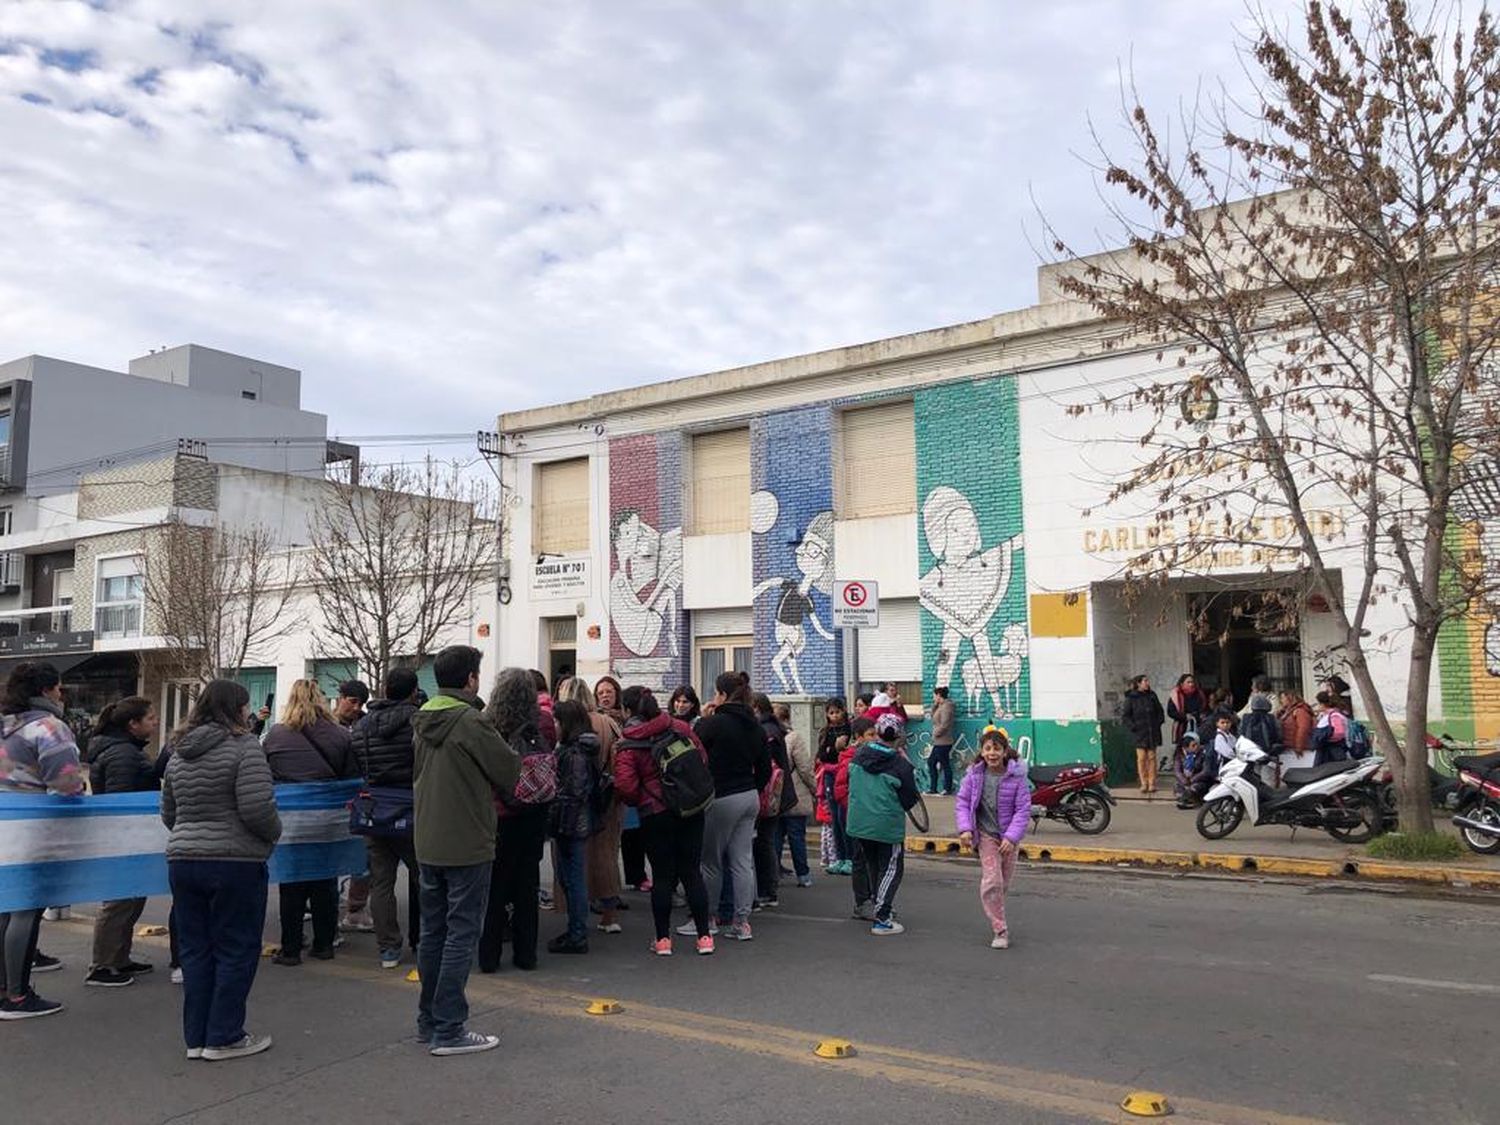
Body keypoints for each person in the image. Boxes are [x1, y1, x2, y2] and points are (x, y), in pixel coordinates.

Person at [161, 679, 282, 1060]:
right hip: (235, 861)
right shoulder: (245, 747)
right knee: (237, 948)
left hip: (183, 859)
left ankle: (196, 1037)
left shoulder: (178, 751)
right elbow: (257, 809)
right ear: (237, 709)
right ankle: (225, 1035)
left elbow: (169, 812)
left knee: (195, 949)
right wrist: (272, 837)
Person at [412, 645, 519, 1056]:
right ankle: (450, 1027)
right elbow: (509, 771)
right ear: (471, 679)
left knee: (433, 933)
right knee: (461, 933)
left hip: (429, 840)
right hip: (467, 841)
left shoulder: (422, 719)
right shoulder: (471, 721)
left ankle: (429, 1019)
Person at [0, 661, 84, 1019]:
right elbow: (67, 785)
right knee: (26, 909)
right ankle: (17, 997)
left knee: (5, 908)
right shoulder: (49, 728)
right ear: (48, 691)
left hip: (5, 824)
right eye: (60, 688)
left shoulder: (5, 726)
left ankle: (5, 989)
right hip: (34, 829)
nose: (62, 695)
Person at [263, 680, 358, 965]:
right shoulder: (341, 735)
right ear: (321, 700)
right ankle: (324, 944)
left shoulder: (275, 736)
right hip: (328, 819)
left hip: (290, 820)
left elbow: (265, 776)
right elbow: (351, 777)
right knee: (325, 881)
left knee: (291, 884)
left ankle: (291, 949)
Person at [615, 685, 714, 956]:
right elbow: (702, 757)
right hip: (690, 808)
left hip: (655, 814)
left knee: (662, 876)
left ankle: (662, 940)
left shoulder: (629, 743)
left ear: (627, 710)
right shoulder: (679, 728)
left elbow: (625, 786)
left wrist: (642, 798)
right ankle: (704, 937)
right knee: (692, 872)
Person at [479, 667, 552, 974]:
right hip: (535, 810)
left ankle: (489, 955)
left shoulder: (488, 724)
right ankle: (527, 955)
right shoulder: (544, 722)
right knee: (527, 883)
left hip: (500, 813)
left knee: (495, 888)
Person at [85, 696, 160, 988]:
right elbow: (121, 799)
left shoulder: (126, 750)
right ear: (133, 724)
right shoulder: (122, 755)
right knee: (119, 900)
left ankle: (119, 957)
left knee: (132, 897)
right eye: (151, 718)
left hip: (129, 834)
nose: (155, 723)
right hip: (123, 835)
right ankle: (102, 965)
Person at [350, 667, 423, 970]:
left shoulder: (363, 724)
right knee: (424, 878)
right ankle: (422, 939)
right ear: (412, 691)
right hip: (411, 806)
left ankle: (388, 948)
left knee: (381, 882)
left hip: (374, 808)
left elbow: (356, 760)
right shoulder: (418, 722)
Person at [691, 672, 770, 942]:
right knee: (742, 861)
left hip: (721, 796)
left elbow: (694, 747)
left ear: (722, 695)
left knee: (711, 862)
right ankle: (742, 922)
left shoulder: (713, 724)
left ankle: (708, 919)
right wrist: (753, 788)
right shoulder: (756, 726)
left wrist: (704, 716)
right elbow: (764, 770)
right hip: (748, 796)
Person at [554, 678, 623, 935]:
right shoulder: (608, 722)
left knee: (573, 863)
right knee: (605, 856)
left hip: (575, 802)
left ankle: (576, 920)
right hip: (606, 797)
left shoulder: (570, 725)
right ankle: (609, 914)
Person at [954, 728, 1029, 949]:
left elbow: (1023, 810)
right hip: (985, 836)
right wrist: (965, 829)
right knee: (992, 882)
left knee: (1002, 884)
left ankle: (997, 910)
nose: (992, 753)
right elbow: (963, 803)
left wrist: (1012, 837)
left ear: (1005, 751)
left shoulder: (1017, 778)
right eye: (987, 749)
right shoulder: (974, 775)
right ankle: (1000, 930)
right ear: (982, 751)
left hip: (1008, 839)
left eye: (997, 749)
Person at [845, 713, 919, 935]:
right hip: (886, 825)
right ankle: (882, 916)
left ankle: (878, 903)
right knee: (891, 869)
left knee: (873, 865)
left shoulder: (859, 756)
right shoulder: (901, 765)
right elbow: (909, 799)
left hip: (859, 822)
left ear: (877, 733)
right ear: (898, 736)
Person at [547, 700, 600, 954]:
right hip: (573, 820)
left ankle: (577, 933)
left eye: (557, 721)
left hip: (571, 822)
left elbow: (574, 790)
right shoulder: (576, 748)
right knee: (569, 877)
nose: (554, 726)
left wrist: (553, 799)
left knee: (573, 877)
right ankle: (576, 928)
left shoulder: (575, 752)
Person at [335, 679, 374, 934]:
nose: (354, 707)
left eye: (358, 703)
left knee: (364, 856)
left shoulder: (363, 726)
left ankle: (355, 908)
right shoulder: (327, 725)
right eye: (349, 701)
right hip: (335, 799)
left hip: (358, 800)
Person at [751, 692, 791, 909]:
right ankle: (769, 888)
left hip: (767, 794)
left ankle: (767, 889)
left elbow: (765, 765)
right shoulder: (774, 728)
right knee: (766, 841)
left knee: (763, 842)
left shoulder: (766, 732)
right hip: (776, 794)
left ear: (755, 707)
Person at [773, 702, 816, 888]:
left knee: (775, 838)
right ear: (787, 718)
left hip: (773, 796)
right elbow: (805, 768)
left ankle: (772, 874)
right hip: (794, 795)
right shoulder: (794, 738)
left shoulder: (767, 736)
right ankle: (803, 875)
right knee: (796, 837)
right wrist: (815, 789)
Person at [815, 697, 852, 873]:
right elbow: (822, 754)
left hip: (844, 774)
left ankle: (850, 858)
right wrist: (833, 749)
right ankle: (839, 857)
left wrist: (841, 750)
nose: (834, 716)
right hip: (830, 774)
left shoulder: (849, 729)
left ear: (843, 711)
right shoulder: (826, 731)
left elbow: (850, 752)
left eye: (837, 712)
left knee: (844, 816)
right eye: (831, 713)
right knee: (834, 818)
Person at [1120, 674, 1166, 795]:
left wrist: (1158, 723)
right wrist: (1133, 727)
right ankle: (1143, 782)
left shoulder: (1152, 696)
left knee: (1152, 757)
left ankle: (1152, 783)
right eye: (1145, 681)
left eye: (1147, 680)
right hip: (1139, 732)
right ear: (1138, 683)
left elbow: (1159, 711)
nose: (1147, 683)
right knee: (1141, 758)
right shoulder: (1131, 698)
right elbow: (1126, 716)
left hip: (1152, 731)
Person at [1240, 683, 1283, 759]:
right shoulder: (1271, 718)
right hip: (1267, 751)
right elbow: (1278, 734)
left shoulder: (1245, 717)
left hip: (1249, 752)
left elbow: (1240, 733)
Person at [1172, 732, 1214, 807]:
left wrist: (1192, 780)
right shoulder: (1180, 755)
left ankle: (1193, 800)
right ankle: (1185, 800)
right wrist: (1184, 781)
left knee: (1195, 788)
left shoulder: (1203, 753)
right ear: (1186, 748)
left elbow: (1205, 771)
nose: (1196, 747)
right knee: (1177, 786)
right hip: (1185, 780)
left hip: (1199, 780)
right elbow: (1177, 771)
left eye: (1196, 744)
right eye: (1193, 746)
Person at [927, 686, 956, 796]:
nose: (933, 698)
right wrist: (935, 705)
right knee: (931, 762)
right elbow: (933, 717)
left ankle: (947, 789)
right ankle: (933, 788)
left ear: (939, 695)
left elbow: (945, 724)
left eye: (935, 696)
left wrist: (935, 734)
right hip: (938, 741)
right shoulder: (941, 706)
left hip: (944, 741)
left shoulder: (947, 707)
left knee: (945, 764)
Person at [1166, 674, 1207, 746]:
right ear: (1182, 683)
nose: (1191, 684)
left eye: (1192, 682)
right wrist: (1184, 716)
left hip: (1197, 725)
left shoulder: (1199, 694)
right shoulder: (1176, 695)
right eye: (1188, 682)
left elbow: (1203, 707)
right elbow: (1171, 712)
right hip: (1182, 727)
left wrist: (1198, 715)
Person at [1311, 692, 1350, 765]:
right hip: (1326, 750)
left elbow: (1339, 733)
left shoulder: (1334, 716)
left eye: (1319, 704)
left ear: (1323, 704)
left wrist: (1326, 739)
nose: (1318, 706)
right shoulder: (1325, 715)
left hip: (1332, 750)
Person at [1277, 688, 1315, 755]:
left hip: (1297, 749)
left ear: (1290, 698)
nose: (1281, 700)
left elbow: (1303, 729)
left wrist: (1299, 747)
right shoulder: (1286, 712)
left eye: (1283, 698)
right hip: (1289, 747)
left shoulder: (1300, 711)